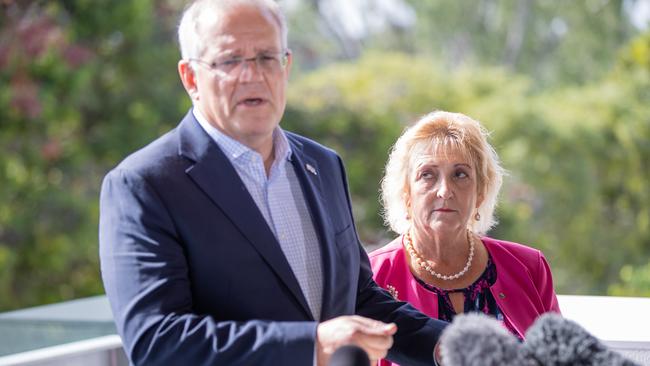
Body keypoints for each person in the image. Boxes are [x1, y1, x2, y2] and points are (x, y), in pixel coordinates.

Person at [98, 1, 447, 365]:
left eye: (267, 57)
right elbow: (158, 343)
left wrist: (446, 346)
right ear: (190, 78)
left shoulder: (323, 165)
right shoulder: (143, 185)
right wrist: (311, 345)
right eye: (230, 60)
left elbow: (358, 300)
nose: (252, 75)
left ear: (286, 66)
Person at [369, 111, 561, 365]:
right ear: (406, 192)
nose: (445, 191)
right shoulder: (372, 275)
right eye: (428, 174)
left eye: (460, 174)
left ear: (480, 191)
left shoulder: (529, 266)